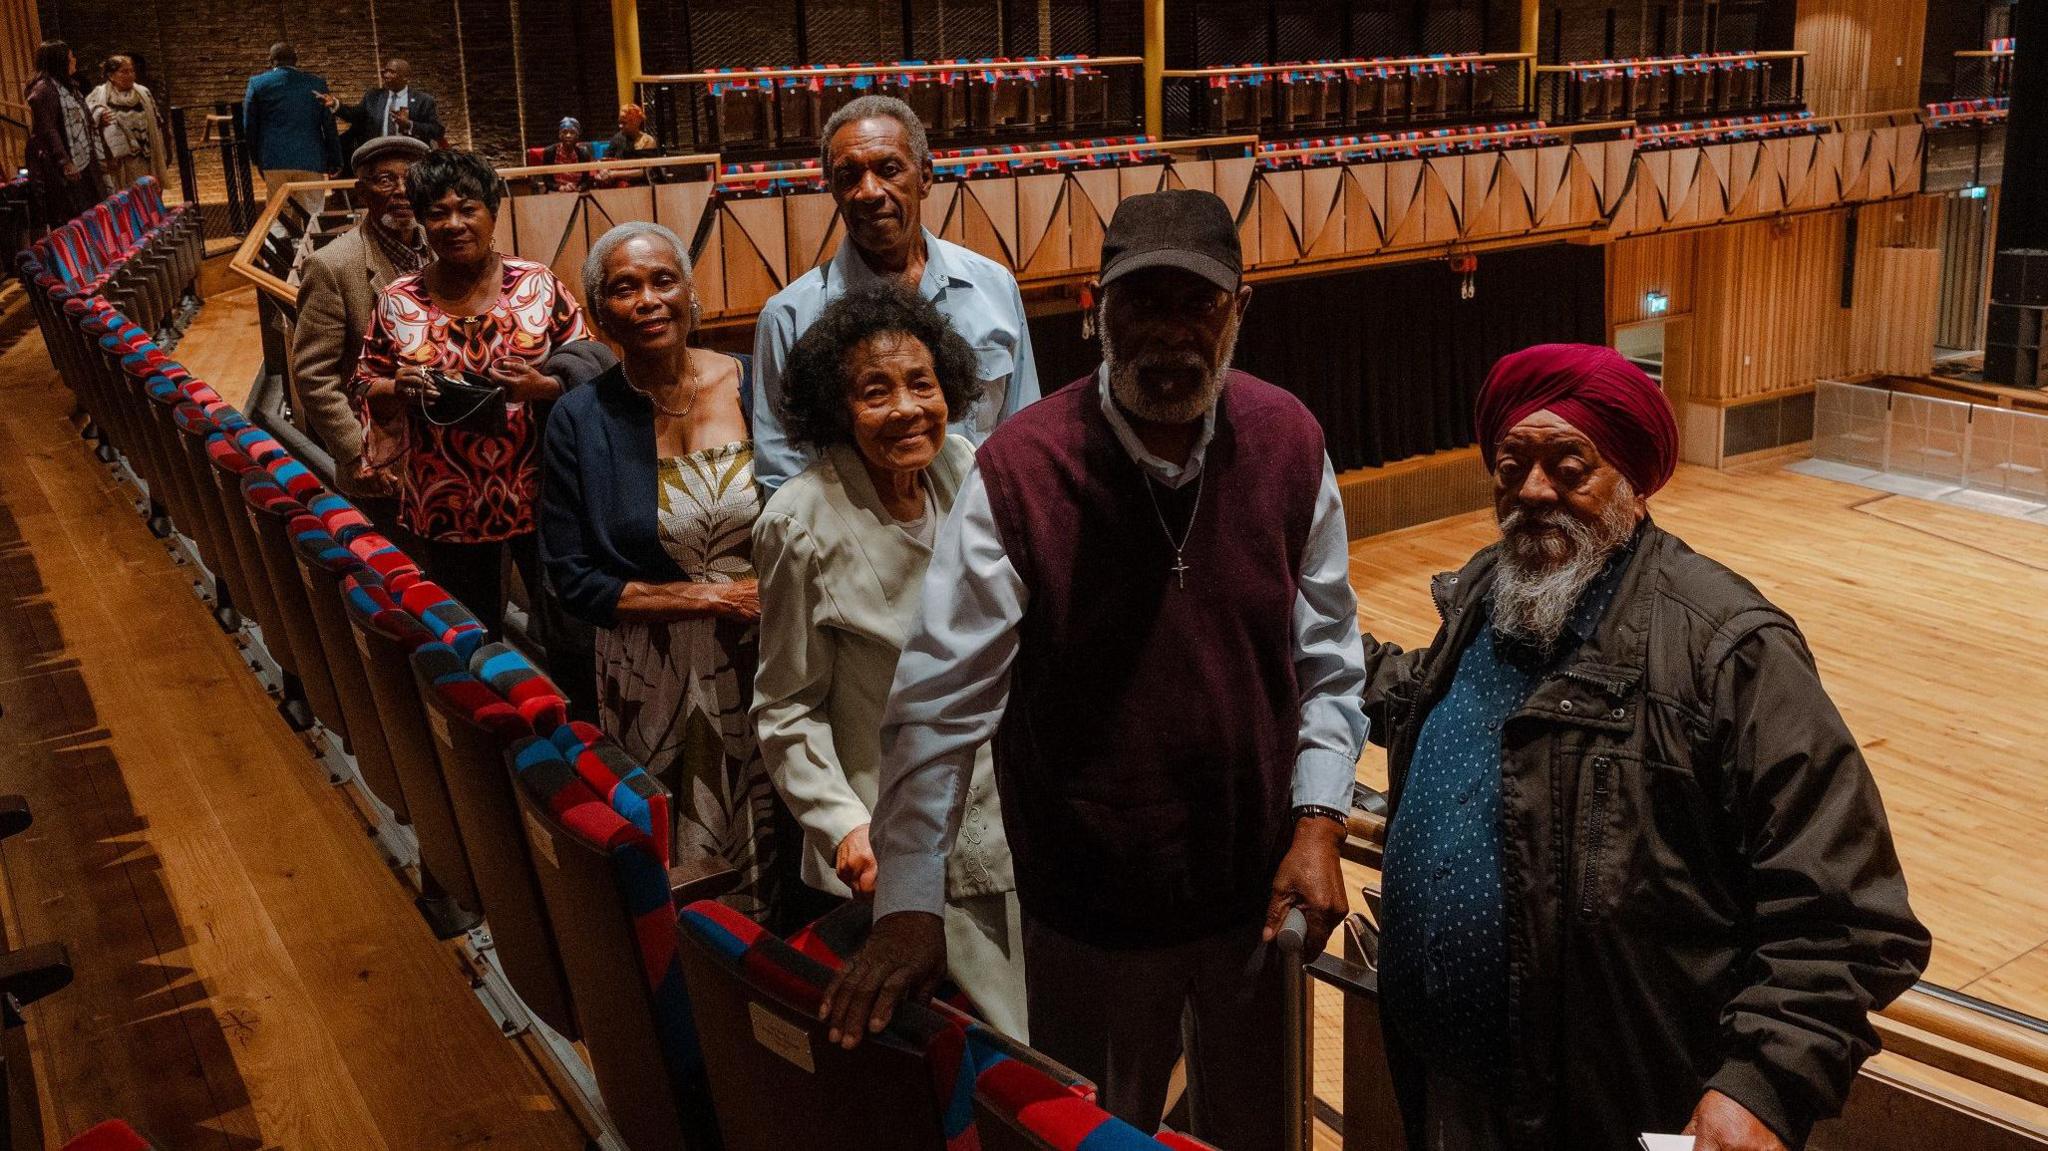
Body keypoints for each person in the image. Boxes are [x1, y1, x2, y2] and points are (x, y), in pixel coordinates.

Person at [822, 189, 1368, 1151]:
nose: (1169, 333)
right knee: (1092, 1139)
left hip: (1254, 900)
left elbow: (1328, 661)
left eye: (1196, 305)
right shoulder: (1019, 470)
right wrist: (911, 903)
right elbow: (937, 708)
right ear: (1092, 307)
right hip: (1089, 914)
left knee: (1259, 1135)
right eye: (1140, 303)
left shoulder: (1291, 440)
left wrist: (1319, 816)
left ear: (1241, 307)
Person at [1361, 344, 1930, 1151]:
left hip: (1608, 1111)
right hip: (1448, 1089)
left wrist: (1763, 1082)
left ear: (1630, 477)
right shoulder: (1492, 590)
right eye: (1512, 463)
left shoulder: (1725, 647)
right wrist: (1294, 637)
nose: (1532, 489)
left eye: (1569, 465)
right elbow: (1424, 696)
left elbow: (1846, 911)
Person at [751, 281, 1026, 1039]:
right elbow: (785, 705)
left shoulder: (967, 467)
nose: (906, 407)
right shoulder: (798, 522)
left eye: (922, 383)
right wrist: (842, 823)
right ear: (840, 409)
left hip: (1002, 813)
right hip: (887, 835)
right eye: (876, 391)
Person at [539, 221, 792, 919]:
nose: (648, 299)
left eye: (662, 280)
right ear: (597, 313)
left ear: (691, 294)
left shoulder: (755, 383)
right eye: (624, 287)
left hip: (767, 661)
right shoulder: (578, 418)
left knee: (781, 845)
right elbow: (573, 578)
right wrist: (716, 600)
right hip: (647, 675)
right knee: (674, 867)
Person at [751, 94, 1038, 495]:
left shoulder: (994, 285)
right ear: (831, 188)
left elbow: (1022, 434)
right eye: (848, 176)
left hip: (982, 537)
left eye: (889, 169)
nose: (868, 192)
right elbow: (782, 474)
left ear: (924, 177)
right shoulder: (789, 317)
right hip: (857, 548)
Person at [351, 149, 586, 635]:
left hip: (542, 491)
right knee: (469, 637)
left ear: (493, 214)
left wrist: (543, 386)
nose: (454, 224)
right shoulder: (398, 300)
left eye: (468, 209)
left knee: (570, 631)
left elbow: (590, 369)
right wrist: (396, 386)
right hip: (446, 503)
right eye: (438, 213)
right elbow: (361, 382)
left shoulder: (537, 285)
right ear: (421, 221)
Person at [289, 134, 432, 520]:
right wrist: (356, 453)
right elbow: (314, 376)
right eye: (385, 180)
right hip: (382, 464)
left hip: (447, 459)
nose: (402, 191)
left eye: (411, 178)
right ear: (361, 192)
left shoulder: (442, 247)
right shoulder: (333, 266)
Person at [243, 43, 342, 217]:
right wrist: (335, 159)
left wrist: (257, 158)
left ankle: (277, 244)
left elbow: (250, 126)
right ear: (295, 61)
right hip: (310, 158)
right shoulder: (316, 83)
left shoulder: (257, 84)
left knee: (277, 213)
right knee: (312, 212)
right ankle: (311, 244)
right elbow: (328, 125)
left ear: (271, 61)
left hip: (274, 158)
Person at [24, 40, 104, 226]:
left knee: (92, 212)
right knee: (74, 217)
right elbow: (48, 129)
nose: (74, 60)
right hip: (61, 167)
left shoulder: (68, 86)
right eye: (70, 58)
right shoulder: (44, 90)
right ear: (58, 62)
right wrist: (65, 161)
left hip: (82, 159)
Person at [331, 58, 443, 157]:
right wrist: (335, 104)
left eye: (392, 72)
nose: (386, 75)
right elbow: (354, 115)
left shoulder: (423, 100)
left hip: (411, 156)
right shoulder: (373, 97)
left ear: (406, 78)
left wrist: (410, 125)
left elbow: (437, 130)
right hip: (379, 156)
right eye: (385, 71)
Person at [87, 55, 168, 191]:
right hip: (117, 162)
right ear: (111, 75)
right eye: (124, 72)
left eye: (132, 71)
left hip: (144, 158)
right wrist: (99, 117)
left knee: (146, 197)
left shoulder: (143, 93)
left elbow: (157, 123)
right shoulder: (99, 95)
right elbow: (87, 118)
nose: (130, 75)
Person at [594, 104, 657, 186]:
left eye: (624, 123)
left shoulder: (647, 141)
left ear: (635, 122)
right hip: (618, 185)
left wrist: (614, 174)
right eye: (619, 122)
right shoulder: (617, 138)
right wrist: (603, 170)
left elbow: (645, 172)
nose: (620, 126)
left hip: (640, 186)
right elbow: (603, 160)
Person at [543, 118, 592, 194]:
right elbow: (547, 181)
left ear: (577, 136)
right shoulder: (550, 152)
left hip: (577, 192)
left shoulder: (584, 153)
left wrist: (579, 188)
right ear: (560, 135)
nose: (568, 135)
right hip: (556, 192)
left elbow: (587, 180)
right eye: (565, 132)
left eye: (572, 132)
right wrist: (561, 188)